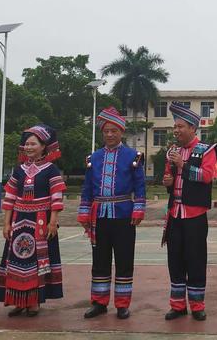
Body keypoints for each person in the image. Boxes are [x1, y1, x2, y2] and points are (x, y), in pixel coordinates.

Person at [77, 106, 146, 320]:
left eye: (113, 130)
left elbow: (140, 186)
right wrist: (83, 212)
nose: (109, 134)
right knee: (100, 260)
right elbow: (87, 187)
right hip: (99, 217)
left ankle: (122, 304)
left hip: (124, 214)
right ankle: (99, 302)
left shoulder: (133, 156)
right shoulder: (94, 158)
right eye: (106, 131)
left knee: (124, 259)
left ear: (121, 132)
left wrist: (139, 208)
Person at [0, 124, 66, 317]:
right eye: (26, 144)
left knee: (37, 263)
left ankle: (33, 302)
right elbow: (9, 198)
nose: (28, 147)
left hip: (41, 222)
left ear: (43, 146)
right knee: (16, 261)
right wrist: (6, 223)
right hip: (19, 222)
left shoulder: (51, 170)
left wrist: (53, 222)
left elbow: (56, 199)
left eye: (33, 144)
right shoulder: (19, 170)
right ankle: (17, 301)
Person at [161, 101, 217, 321]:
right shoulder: (172, 152)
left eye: (181, 126)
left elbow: (206, 177)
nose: (176, 131)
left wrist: (183, 166)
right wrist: (167, 180)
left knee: (195, 259)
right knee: (175, 259)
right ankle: (177, 305)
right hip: (174, 213)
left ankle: (197, 305)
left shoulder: (207, 150)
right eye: (175, 127)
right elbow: (168, 177)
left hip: (195, 215)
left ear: (193, 128)